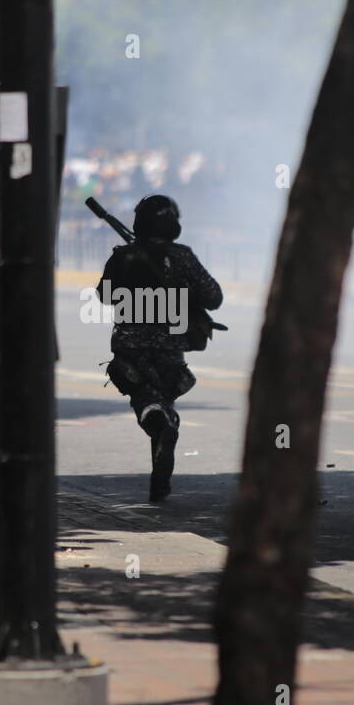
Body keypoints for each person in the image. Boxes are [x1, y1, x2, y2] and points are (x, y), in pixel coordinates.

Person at [99, 194, 223, 502]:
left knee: (145, 399)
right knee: (165, 403)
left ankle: (158, 426)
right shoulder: (182, 257)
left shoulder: (124, 256)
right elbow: (214, 297)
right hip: (170, 346)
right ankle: (160, 479)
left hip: (131, 345)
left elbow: (104, 295)